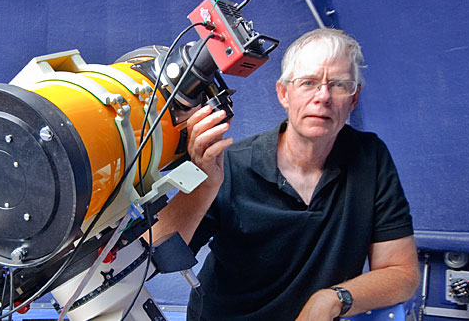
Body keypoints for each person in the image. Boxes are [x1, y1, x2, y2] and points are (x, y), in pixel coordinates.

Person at [152, 28, 420, 320]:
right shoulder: (232, 165)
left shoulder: (370, 158)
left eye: (340, 85)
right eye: (308, 82)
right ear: (284, 94)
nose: (323, 97)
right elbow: (155, 254)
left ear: (354, 100)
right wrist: (203, 186)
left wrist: (332, 299)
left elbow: (401, 273)